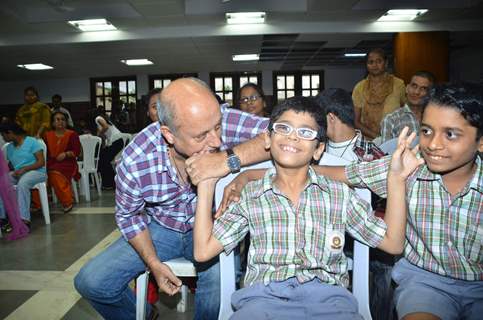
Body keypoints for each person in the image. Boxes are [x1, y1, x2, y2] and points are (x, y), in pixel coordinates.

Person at [194, 96, 419, 320]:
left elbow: (392, 243)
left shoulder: (338, 195)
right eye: (284, 128)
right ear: (267, 139)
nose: (292, 136)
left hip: (329, 299)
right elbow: (203, 251)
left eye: (305, 132)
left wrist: (396, 179)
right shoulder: (250, 196)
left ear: (318, 149)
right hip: (263, 298)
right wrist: (206, 184)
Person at [74, 77, 270, 320]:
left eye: (217, 127)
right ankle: (145, 315)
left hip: (214, 225)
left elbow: (284, 136)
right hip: (163, 228)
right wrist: (153, 262)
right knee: (91, 282)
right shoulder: (136, 161)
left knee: (218, 285)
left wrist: (227, 159)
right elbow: (129, 216)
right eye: (201, 137)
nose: (217, 140)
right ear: (169, 134)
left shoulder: (214, 118)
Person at [316, 88, 385, 162]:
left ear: (331, 117)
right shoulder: (316, 147)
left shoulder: (371, 156)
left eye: (317, 118)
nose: (314, 124)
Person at [0, 122, 46, 230]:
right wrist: (12, 172)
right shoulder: (9, 147)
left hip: (37, 171)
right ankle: (3, 217)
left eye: (3, 135)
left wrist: (25, 169)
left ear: (10, 133)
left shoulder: (32, 142)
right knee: (2, 182)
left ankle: (24, 219)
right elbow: (11, 165)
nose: (3, 137)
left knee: (23, 183)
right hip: (19, 173)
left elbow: (41, 162)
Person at [352, 48, 406, 139]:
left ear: (386, 63)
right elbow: (355, 121)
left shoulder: (398, 84)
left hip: (394, 138)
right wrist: (378, 138)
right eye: (371, 62)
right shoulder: (360, 87)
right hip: (367, 140)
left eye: (379, 61)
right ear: (366, 65)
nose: (374, 65)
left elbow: (406, 112)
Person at [380, 71, 435, 143]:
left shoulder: (436, 118)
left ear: (430, 93)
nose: (416, 92)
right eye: (414, 86)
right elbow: (386, 152)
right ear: (407, 88)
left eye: (423, 89)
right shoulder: (391, 120)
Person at [43, 111, 81, 213]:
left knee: (54, 173)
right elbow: (45, 152)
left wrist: (66, 154)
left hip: (68, 163)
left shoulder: (72, 134)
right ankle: (39, 203)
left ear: (66, 122)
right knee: (42, 173)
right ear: (52, 123)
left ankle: (67, 201)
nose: (60, 121)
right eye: (57, 119)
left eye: (63, 119)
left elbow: (77, 152)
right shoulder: (47, 135)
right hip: (51, 162)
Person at [95, 113, 124, 190]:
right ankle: (110, 183)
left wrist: (98, 134)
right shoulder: (107, 120)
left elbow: (105, 127)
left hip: (116, 141)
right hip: (118, 141)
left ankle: (109, 183)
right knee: (103, 158)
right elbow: (104, 136)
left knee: (103, 160)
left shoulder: (97, 118)